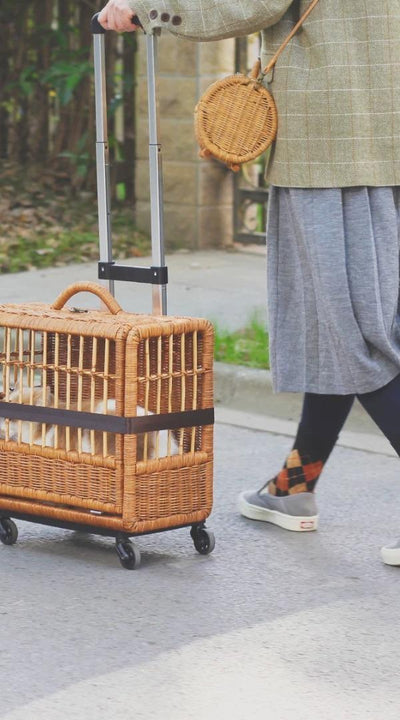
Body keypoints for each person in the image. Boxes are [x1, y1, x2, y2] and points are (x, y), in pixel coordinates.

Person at [98, 0, 400, 566]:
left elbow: (250, 2)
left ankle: (294, 486)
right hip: (385, 140)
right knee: (333, 323)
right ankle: (293, 486)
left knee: (351, 331)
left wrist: (147, 8)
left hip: (328, 150)